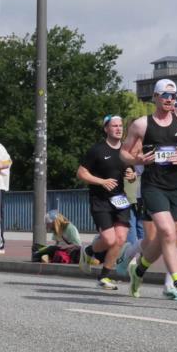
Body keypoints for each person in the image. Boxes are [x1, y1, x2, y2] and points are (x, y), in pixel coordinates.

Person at [121, 79, 177, 307]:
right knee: (167, 231)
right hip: (153, 185)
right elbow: (124, 154)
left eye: (173, 96)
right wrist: (136, 159)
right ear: (155, 97)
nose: (169, 100)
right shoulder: (141, 125)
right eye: (165, 95)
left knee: (167, 235)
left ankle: (139, 269)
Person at [77, 115, 134, 290]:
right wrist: (102, 181)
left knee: (121, 238)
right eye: (114, 126)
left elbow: (129, 171)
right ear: (106, 129)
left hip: (120, 199)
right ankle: (88, 252)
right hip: (100, 200)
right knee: (109, 240)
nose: (118, 129)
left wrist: (132, 175)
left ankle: (105, 276)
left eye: (120, 126)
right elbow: (81, 173)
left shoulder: (125, 151)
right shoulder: (97, 150)